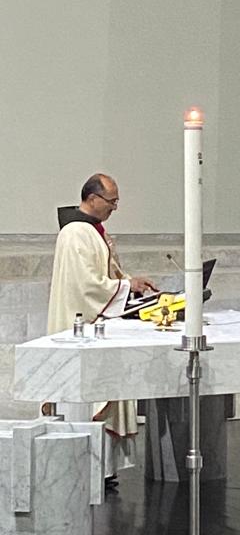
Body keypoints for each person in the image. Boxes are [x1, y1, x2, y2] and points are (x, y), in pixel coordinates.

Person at [47, 173, 157, 483]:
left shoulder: (93, 230)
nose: (114, 207)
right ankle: (86, 472)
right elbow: (86, 286)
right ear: (93, 198)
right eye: (112, 201)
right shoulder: (75, 233)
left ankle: (102, 470)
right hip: (82, 332)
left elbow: (106, 276)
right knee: (89, 402)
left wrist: (131, 283)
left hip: (100, 329)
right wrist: (125, 287)